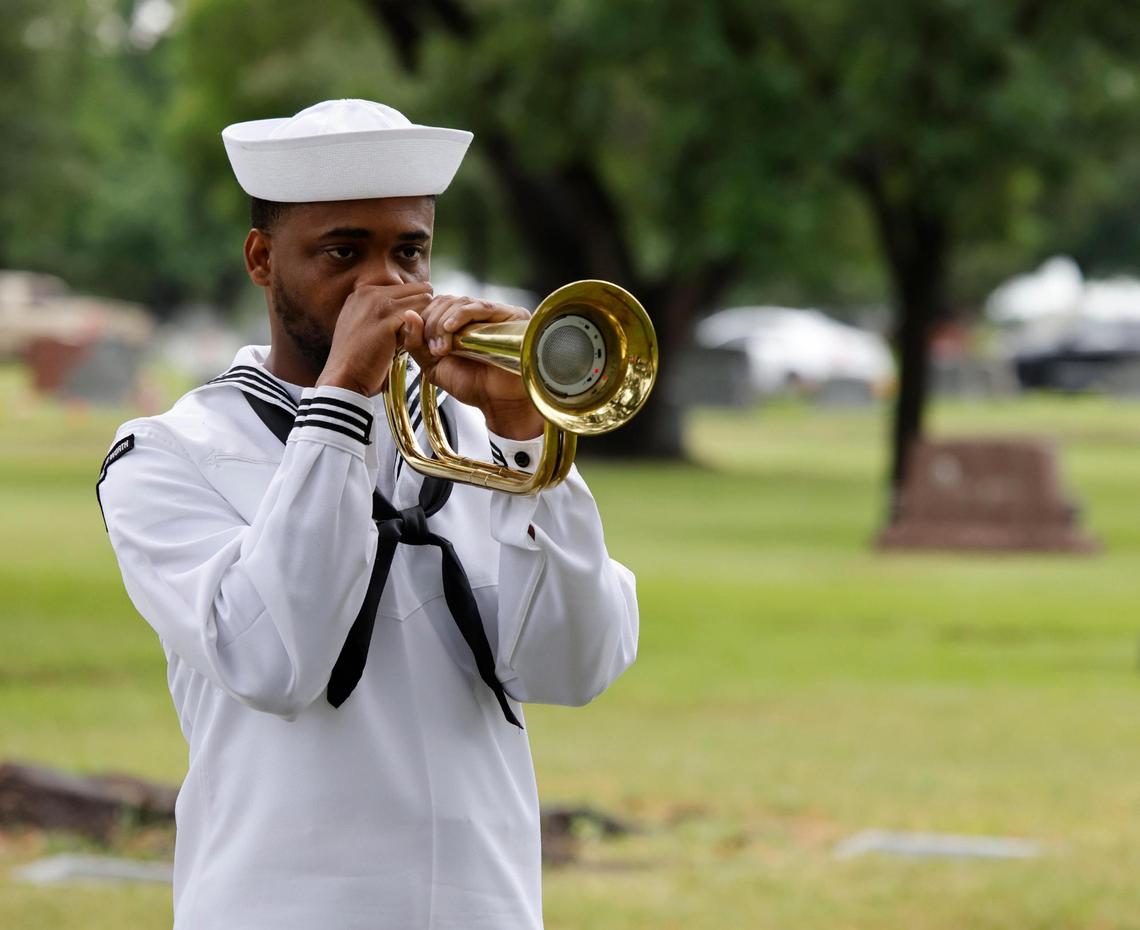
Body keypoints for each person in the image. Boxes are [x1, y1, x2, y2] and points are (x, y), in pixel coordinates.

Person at [98, 98, 639, 930]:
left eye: (409, 251)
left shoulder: (474, 431)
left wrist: (529, 440)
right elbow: (275, 660)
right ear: (261, 259)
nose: (383, 284)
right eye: (342, 253)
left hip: (487, 908)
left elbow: (578, 665)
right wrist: (342, 397)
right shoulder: (167, 453)